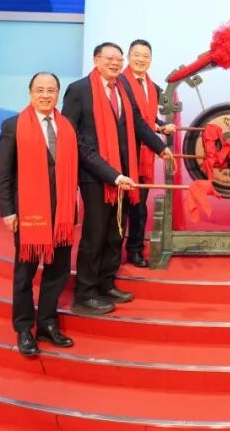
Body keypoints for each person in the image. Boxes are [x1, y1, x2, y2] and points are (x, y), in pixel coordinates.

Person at [62, 42, 172, 315]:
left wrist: (160, 148)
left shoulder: (122, 87)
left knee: (115, 232)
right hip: (95, 176)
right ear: (96, 60)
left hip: (123, 173)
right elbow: (74, 139)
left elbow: (138, 123)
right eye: (109, 58)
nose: (115, 63)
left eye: (118, 59)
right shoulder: (79, 90)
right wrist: (111, 174)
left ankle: (106, 283)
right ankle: (85, 294)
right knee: (95, 235)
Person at [0, 72, 77, 356]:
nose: (45, 95)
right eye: (40, 90)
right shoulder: (13, 126)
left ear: (58, 94)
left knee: (58, 272)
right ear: (30, 93)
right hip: (29, 213)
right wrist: (8, 211)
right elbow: (3, 174)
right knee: (25, 274)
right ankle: (23, 328)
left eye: (51, 90)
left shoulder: (67, 127)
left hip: (62, 212)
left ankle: (47, 324)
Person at [118, 39, 176, 268]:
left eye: (145, 56)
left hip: (144, 156)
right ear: (128, 57)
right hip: (124, 154)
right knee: (122, 208)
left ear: (151, 60)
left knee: (139, 207)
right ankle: (113, 255)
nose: (141, 59)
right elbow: (134, 119)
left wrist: (161, 126)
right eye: (137, 55)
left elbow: (147, 118)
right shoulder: (120, 83)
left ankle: (135, 250)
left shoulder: (151, 86)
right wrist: (159, 146)